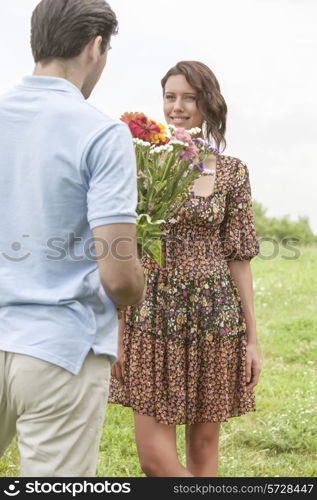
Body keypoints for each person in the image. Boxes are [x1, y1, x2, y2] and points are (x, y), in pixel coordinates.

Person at [0, 0, 145, 477]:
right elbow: (120, 276)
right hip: (60, 351)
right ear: (95, 46)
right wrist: (138, 288)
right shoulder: (102, 133)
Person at [109, 61, 261, 477]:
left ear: (207, 102)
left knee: (204, 448)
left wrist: (251, 339)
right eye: (170, 96)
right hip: (151, 313)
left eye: (188, 97)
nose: (177, 106)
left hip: (215, 316)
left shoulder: (232, 172)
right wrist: (118, 331)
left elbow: (239, 257)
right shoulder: (143, 163)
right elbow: (127, 249)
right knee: (155, 460)